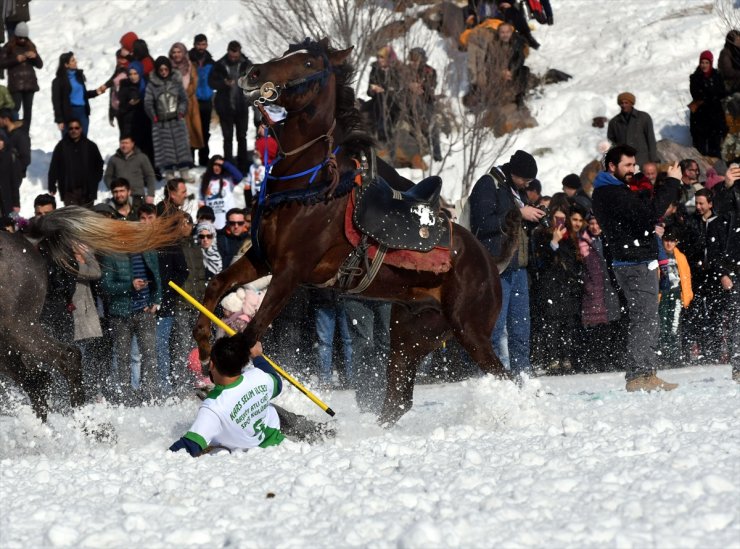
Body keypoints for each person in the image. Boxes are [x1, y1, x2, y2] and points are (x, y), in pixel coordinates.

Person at [592, 144, 680, 392]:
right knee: (645, 319)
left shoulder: (613, 189)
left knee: (647, 318)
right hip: (634, 262)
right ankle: (639, 375)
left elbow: (642, 214)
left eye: (634, 164)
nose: (633, 170)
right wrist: (672, 183)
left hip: (636, 259)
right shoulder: (611, 192)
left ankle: (646, 372)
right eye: (627, 165)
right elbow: (649, 213)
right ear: (612, 166)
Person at [169, 338, 332, 456]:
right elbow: (276, 382)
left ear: (211, 365)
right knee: (307, 426)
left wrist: (166, 452)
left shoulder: (213, 408)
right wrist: (257, 356)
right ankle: (330, 432)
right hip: (274, 426)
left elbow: (189, 445)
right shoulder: (258, 376)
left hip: (258, 439)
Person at [468, 150, 544, 377]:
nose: (527, 184)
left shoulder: (513, 189)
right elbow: (481, 222)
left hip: (518, 268)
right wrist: (519, 213)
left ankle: (524, 379)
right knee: (494, 329)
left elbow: (512, 224)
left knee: (521, 329)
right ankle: (490, 379)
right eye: (525, 180)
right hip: (496, 267)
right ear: (513, 172)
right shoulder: (487, 184)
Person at [98, 240, 162, 403]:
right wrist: (129, 285)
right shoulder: (112, 255)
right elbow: (105, 285)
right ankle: (125, 397)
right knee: (122, 357)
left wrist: (156, 300)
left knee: (150, 356)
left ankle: (150, 396)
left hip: (145, 313)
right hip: (121, 314)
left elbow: (157, 277)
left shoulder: (149, 252)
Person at [139, 204, 189, 390]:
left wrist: (166, 293)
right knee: (143, 351)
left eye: (150, 218)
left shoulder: (169, 242)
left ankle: (164, 386)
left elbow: (183, 271)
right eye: (142, 218)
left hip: (165, 306)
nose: (147, 222)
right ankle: (145, 387)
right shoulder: (140, 242)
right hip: (141, 303)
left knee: (160, 347)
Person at [531, 204, 584, 374]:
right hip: (550, 286)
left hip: (567, 285)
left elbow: (574, 261)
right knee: (552, 323)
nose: (560, 222)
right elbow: (543, 261)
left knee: (568, 323)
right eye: (556, 218)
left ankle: (566, 358)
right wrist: (554, 242)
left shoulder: (572, 238)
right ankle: (552, 358)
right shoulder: (543, 235)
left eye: (562, 219)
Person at [144, 56, 193, 182]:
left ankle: (184, 172)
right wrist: (154, 116)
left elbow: (183, 99)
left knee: (181, 146)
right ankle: (169, 172)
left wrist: (181, 112)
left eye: (166, 69)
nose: (164, 72)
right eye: (161, 70)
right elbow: (148, 102)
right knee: (165, 148)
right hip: (161, 122)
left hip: (177, 119)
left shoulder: (176, 82)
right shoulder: (152, 85)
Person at [208, 41, 252, 173]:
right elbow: (211, 82)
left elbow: (255, 80)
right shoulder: (220, 64)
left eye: (235, 54)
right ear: (228, 51)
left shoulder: (246, 64)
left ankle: (243, 165)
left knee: (242, 137)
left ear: (239, 52)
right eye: (231, 55)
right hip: (225, 107)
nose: (233, 57)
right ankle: (229, 166)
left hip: (241, 106)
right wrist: (223, 83)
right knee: (227, 138)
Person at [342, 297, 391, 413]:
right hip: (356, 293)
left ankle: (386, 398)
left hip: (387, 293)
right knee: (363, 344)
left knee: (386, 344)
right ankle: (365, 400)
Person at [657, 226, 693, 368]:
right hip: (662, 294)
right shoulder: (659, 256)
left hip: (676, 293)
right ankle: (662, 355)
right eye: (667, 240)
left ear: (676, 242)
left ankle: (673, 355)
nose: (669, 244)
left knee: (674, 325)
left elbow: (686, 277)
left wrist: (687, 295)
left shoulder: (681, 257)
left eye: (672, 241)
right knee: (662, 324)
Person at [47, 118, 104, 206]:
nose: (74, 130)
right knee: (73, 218)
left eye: (76, 128)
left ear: (81, 129)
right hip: (69, 191)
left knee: (87, 218)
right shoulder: (61, 147)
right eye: (71, 128)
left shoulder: (90, 146)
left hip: (87, 192)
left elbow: (99, 164)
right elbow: (54, 166)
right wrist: (52, 184)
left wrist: (95, 180)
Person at [51, 52, 106, 136]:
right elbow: (56, 102)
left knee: (83, 140)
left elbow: (82, 94)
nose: (76, 62)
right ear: (66, 64)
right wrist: (59, 120)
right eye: (73, 60)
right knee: (68, 141)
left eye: (75, 60)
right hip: (68, 113)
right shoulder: (58, 81)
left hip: (82, 112)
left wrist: (96, 92)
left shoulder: (79, 76)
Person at [403, 47, 441, 162]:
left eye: (416, 58)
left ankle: (437, 154)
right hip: (408, 104)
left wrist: (421, 88)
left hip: (426, 103)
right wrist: (409, 86)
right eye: (411, 58)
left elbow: (431, 89)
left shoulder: (430, 71)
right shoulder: (406, 70)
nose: (413, 61)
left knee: (433, 126)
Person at [0, 22, 42, 127]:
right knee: (15, 108)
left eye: (24, 38)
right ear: (16, 36)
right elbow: (1, 63)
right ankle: (13, 131)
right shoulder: (9, 46)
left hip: (30, 83)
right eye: (20, 38)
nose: (22, 40)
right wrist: (16, 59)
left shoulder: (31, 46)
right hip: (16, 84)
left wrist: (35, 56)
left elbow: (40, 65)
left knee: (28, 110)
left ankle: (25, 135)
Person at [310, 289, 353, 388]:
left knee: (326, 342)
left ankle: (326, 379)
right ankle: (348, 378)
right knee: (346, 341)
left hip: (325, 297)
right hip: (342, 296)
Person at [169, 42, 204, 161]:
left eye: (179, 52)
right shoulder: (168, 67)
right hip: (173, 103)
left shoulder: (189, 66)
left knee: (191, 132)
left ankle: (191, 159)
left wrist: (184, 95)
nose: (176, 55)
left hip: (190, 103)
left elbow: (194, 83)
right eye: (174, 52)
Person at [116, 62, 155, 169]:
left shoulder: (147, 84)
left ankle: (151, 170)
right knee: (135, 149)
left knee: (148, 147)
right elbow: (121, 108)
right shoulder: (125, 85)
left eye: (135, 74)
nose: (133, 77)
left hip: (146, 121)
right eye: (131, 74)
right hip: (131, 123)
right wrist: (130, 104)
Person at [689, 51, 727, 158]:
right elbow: (697, 94)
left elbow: (722, 93)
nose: (704, 65)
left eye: (706, 62)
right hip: (700, 118)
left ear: (711, 63)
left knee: (715, 150)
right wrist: (712, 94)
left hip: (715, 118)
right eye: (702, 62)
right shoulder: (695, 78)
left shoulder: (718, 76)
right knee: (699, 150)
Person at [606, 92, 659, 168]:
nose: (624, 105)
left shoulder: (644, 118)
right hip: (624, 163)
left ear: (632, 103)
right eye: (621, 103)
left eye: (626, 103)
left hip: (643, 161)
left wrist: (653, 160)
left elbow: (651, 140)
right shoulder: (614, 122)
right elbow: (611, 144)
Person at [104, 135, 157, 208]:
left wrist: (150, 194)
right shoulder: (114, 159)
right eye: (122, 143)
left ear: (132, 143)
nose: (124, 145)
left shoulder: (141, 157)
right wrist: (114, 188)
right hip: (120, 197)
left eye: (126, 143)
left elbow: (150, 175)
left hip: (137, 196)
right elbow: (107, 176)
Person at [189, 34, 215, 166]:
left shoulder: (210, 61)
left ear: (207, 45)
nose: (201, 47)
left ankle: (204, 158)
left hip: (206, 100)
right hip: (192, 100)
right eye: (199, 44)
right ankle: (190, 158)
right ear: (194, 44)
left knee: (205, 130)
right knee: (192, 129)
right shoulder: (188, 59)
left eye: (203, 44)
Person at [366, 45, 401, 144]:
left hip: (393, 101)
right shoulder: (374, 70)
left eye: (382, 57)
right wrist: (372, 89)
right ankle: (380, 132)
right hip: (377, 100)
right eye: (378, 57)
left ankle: (384, 131)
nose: (379, 60)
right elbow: (368, 91)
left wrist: (384, 89)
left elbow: (398, 88)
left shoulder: (395, 71)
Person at [199, 155, 243, 229]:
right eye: (215, 165)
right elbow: (201, 202)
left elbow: (239, 176)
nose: (217, 167)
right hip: (211, 225)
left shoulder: (229, 179)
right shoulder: (205, 181)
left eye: (219, 165)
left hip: (228, 223)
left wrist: (225, 163)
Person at [0, 108, 29, 207]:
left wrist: (14, 169)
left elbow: (26, 158)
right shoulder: (5, 134)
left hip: (14, 175)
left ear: (6, 119)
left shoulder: (21, 136)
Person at [106, 49, 131, 137]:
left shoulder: (131, 72)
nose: (119, 61)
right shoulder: (118, 70)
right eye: (118, 58)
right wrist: (111, 111)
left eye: (122, 59)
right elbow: (112, 92)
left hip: (127, 111)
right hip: (118, 110)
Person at [718, 29, 740, 95]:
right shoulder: (725, 53)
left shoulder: (737, 51)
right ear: (731, 41)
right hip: (728, 82)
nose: (739, 42)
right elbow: (728, 71)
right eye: (737, 40)